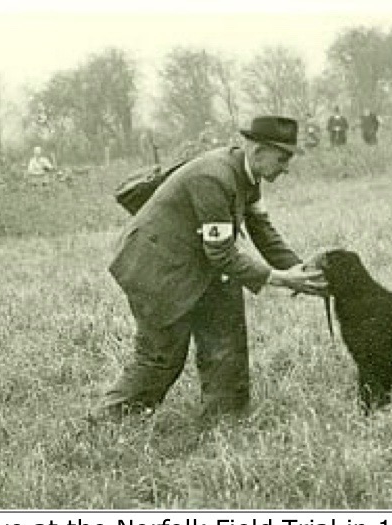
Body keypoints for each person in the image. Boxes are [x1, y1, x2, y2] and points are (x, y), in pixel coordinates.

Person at [97, 116, 327, 422]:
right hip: (156, 269)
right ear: (258, 151)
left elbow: (263, 231)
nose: (286, 168)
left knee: (227, 333)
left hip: (195, 261)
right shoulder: (214, 178)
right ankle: (107, 424)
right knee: (160, 359)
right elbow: (221, 253)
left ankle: (225, 421)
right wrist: (280, 279)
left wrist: (301, 271)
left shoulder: (249, 176)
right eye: (283, 158)